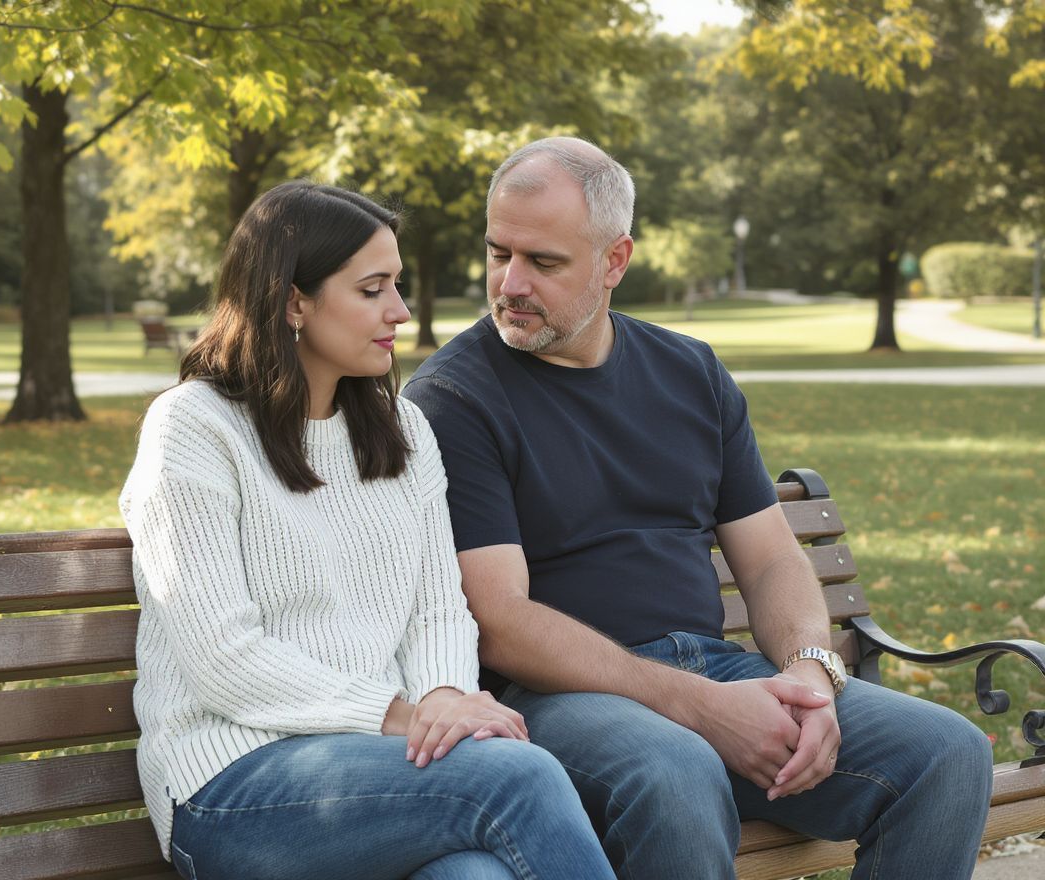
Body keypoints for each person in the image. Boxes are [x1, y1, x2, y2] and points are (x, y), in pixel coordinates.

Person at [402, 138, 994, 879]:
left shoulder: (689, 370)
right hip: (557, 700)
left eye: (543, 262)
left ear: (615, 261)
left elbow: (774, 557)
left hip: (713, 670)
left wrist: (811, 674)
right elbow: (501, 621)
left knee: (948, 753)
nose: (509, 283)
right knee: (676, 770)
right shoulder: (454, 398)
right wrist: (703, 709)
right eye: (497, 253)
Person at [119, 181, 617, 880]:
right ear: (294, 300)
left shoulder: (401, 429)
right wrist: (398, 715)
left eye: (398, 285)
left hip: (388, 770)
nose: (401, 311)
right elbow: (222, 659)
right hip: (232, 787)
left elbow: (436, 606)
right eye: (373, 289)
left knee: (474, 878)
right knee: (518, 777)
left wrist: (443, 697)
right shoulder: (195, 428)